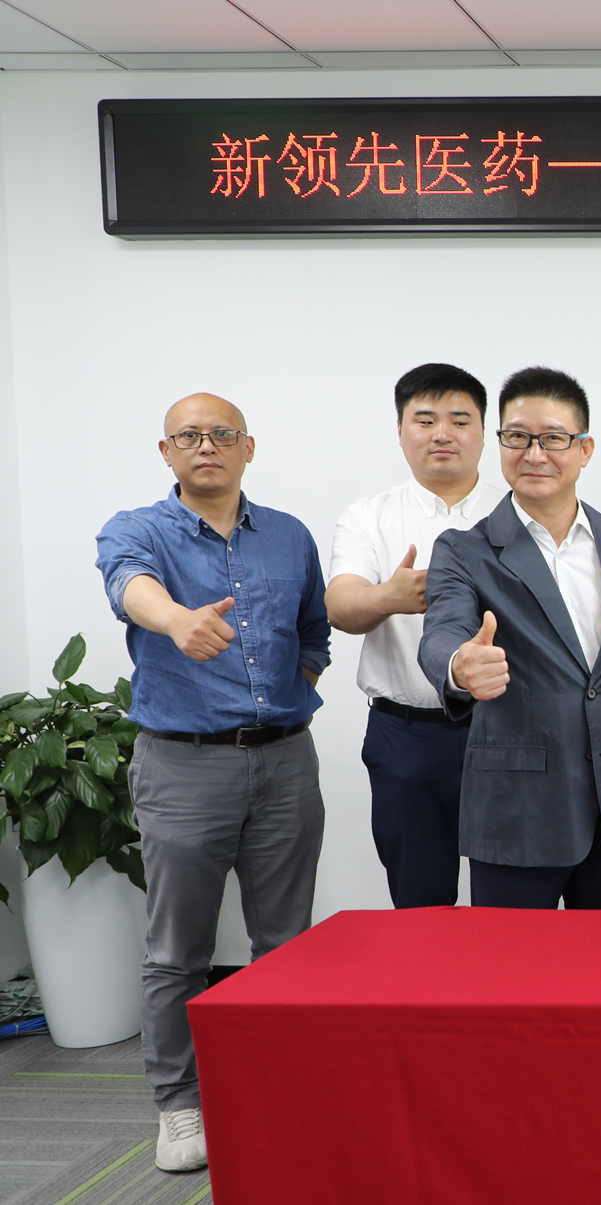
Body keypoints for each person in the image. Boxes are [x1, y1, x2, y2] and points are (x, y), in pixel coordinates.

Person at [95, 393, 331, 1173]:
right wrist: (175, 619)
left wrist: (289, 694)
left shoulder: (290, 535)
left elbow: (314, 633)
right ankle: (179, 1102)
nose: (207, 445)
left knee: (287, 944)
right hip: (184, 764)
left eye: (222, 433)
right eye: (189, 435)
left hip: (285, 761)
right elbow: (129, 585)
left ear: (248, 447)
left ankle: (279, 1089)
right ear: (166, 452)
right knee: (178, 950)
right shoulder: (137, 528)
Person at [418, 367, 601, 909]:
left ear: (585, 449)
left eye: (553, 438)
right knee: (511, 963)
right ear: (500, 444)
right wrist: (459, 664)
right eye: (518, 437)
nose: (534, 454)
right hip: (518, 811)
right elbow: (443, 630)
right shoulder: (464, 550)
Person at [327, 363, 507, 909]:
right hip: (407, 735)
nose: (442, 434)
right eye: (425, 420)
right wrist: (389, 596)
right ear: (401, 431)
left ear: (484, 432)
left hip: (509, 732)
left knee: (513, 900)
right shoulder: (369, 515)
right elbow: (341, 607)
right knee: (419, 904)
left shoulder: (518, 511)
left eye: (460, 420)